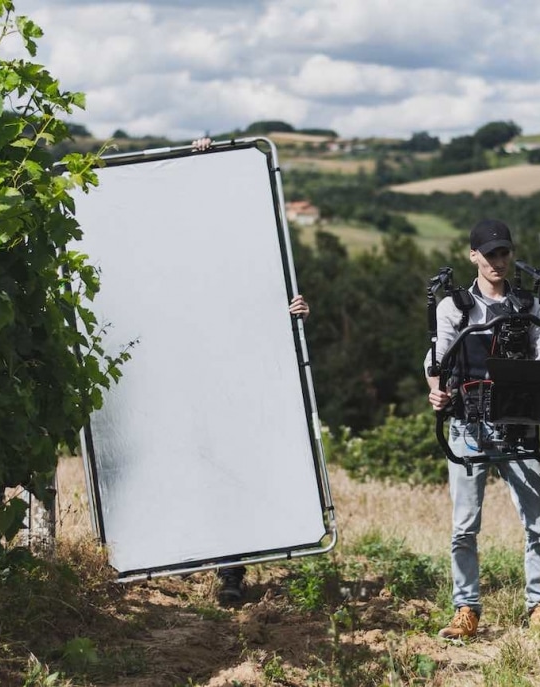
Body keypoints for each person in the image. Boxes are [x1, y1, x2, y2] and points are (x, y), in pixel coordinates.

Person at [426, 218, 540, 639]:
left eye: (504, 252)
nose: (498, 260)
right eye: (490, 253)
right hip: (468, 428)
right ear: (473, 256)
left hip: (520, 425)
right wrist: (437, 394)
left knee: (538, 523)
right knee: (464, 526)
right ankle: (466, 608)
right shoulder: (454, 307)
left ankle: (539, 604)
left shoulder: (530, 306)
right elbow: (435, 362)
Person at [191, 136, 312, 606]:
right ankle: (183, 552)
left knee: (235, 471)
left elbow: (270, 308)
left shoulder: (256, 251)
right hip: (196, 375)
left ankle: (229, 572)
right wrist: (200, 161)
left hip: (245, 379)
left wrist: (294, 313)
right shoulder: (188, 256)